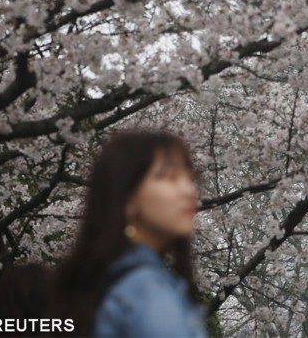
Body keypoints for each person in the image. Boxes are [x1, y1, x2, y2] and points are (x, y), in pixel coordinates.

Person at [52, 130, 208, 337]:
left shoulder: (103, 283)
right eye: (170, 177)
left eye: (190, 179)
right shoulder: (146, 290)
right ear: (127, 197)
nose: (189, 190)